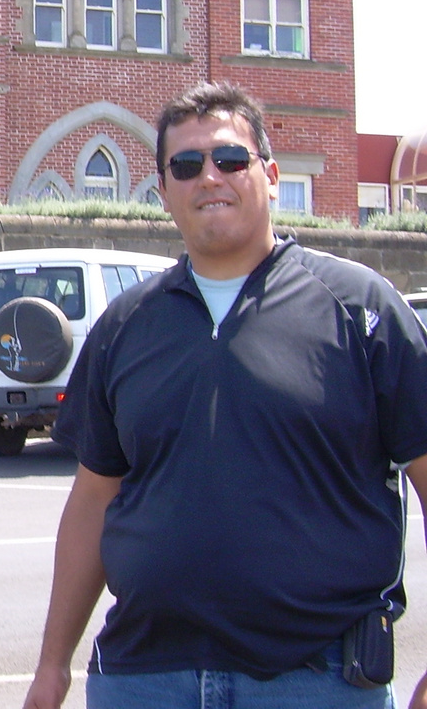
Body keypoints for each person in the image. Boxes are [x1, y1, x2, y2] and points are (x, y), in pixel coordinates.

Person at [23, 81, 427, 709]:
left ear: (269, 175)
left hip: (316, 679)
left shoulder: (360, 309)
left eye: (229, 159)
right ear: (163, 193)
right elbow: (93, 502)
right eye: (185, 166)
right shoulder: (126, 327)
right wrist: (53, 666)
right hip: (144, 677)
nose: (209, 177)